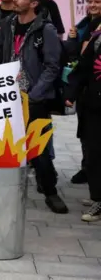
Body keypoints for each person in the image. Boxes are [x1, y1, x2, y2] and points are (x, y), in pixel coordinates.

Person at [0, 0, 69, 215]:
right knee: (7, 145)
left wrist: (33, 95)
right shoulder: (8, 24)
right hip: (8, 97)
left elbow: (53, 67)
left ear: (34, 3)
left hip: (34, 99)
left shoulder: (46, 30)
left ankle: (50, 192)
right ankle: (8, 190)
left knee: (39, 148)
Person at [65, 0, 101, 186]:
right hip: (84, 87)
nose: (93, 5)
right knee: (85, 131)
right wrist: (73, 38)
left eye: (97, 1)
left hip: (96, 85)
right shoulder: (83, 25)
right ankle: (87, 166)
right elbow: (74, 55)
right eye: (90, 1)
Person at [65, 29, 101, 222]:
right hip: (95, 105)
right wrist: (71, 92)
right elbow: (83, 67)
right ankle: (98, 198)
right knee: (94, 153)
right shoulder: (98, 35)